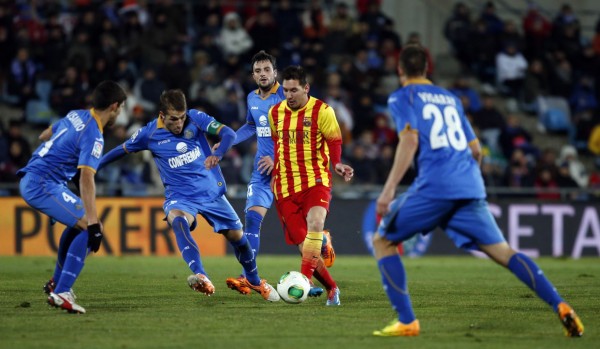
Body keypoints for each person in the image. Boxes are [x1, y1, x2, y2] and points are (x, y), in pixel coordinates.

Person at [372, 45, 584, 337]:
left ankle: (407, 321)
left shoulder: (402, 96)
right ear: (427, 68)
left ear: (400, 70)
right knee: (504, 252)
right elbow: (475, 150)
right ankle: (561, 305)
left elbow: (409, 140)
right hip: (469, 184)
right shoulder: (450, 99)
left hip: (437, 185)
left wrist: (389, 190)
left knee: (382, 240)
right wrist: (466, 179)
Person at [99, 89, 279, 302]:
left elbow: (229, 134)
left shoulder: (196, 118)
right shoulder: (148, 133)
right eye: (174, 119)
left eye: (182, 118)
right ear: (162, 115)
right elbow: (121, 149)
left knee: (239, 239)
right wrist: (94, 166)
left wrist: (217, 154)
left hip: (211, 193)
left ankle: (254, 279)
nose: (179, 123)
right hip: (181, 197)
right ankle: (201, 274)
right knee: (178, 219)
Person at [231, 65, 353, 306]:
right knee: (305, 248)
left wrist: (337, 163)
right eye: (285, 90)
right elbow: (278, 145)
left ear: (306, 88)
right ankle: (332, 287)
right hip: (285, 187)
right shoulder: (275, 113)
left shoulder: (322, 110)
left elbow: (334, 140)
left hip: (315, 180)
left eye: (294, 90)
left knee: (316, 223)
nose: (289, 95)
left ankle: (304, 282)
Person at [17, 81, 127, 314]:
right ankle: (62, 292)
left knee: (79, 226)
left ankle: (57, 284)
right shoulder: (94, 135)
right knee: (89, 225)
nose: (120, 113)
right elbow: (87, 177)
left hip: (36, 177)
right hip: (43, 184)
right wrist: (95, 220)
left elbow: (44, 135)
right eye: (121, 108)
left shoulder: (76, 115)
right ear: (115, 106)